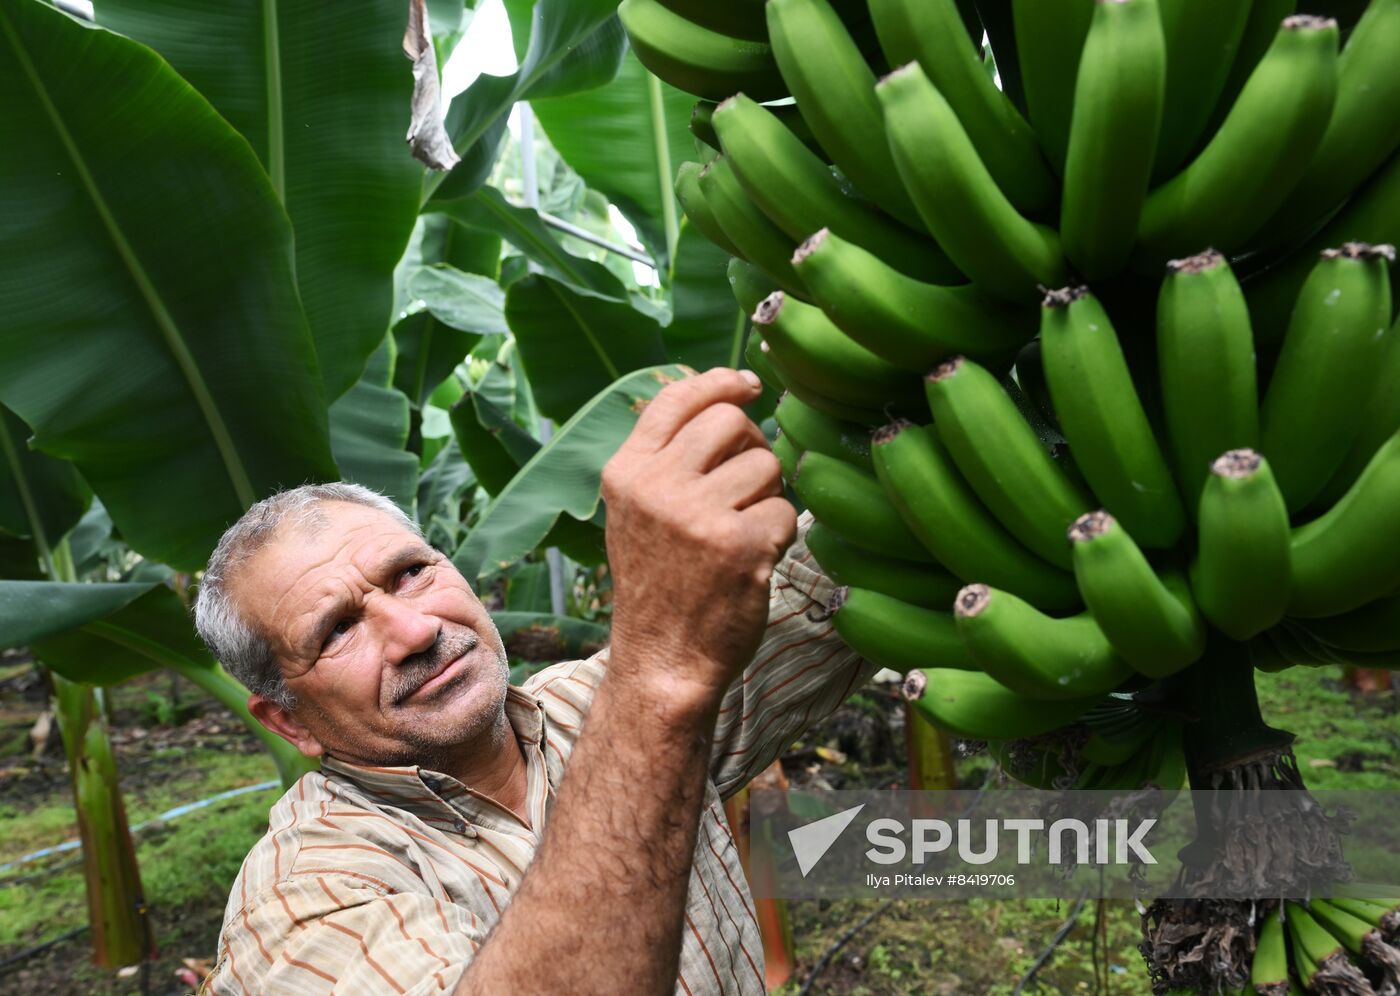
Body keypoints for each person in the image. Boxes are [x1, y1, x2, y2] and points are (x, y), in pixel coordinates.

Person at [194, 368, 874, 994]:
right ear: (290, 722)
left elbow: (820, 588)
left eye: (410, 573)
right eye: (338, 629)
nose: (415, 631)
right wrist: (659, 674)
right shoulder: (302, 902)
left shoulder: (587, 706)